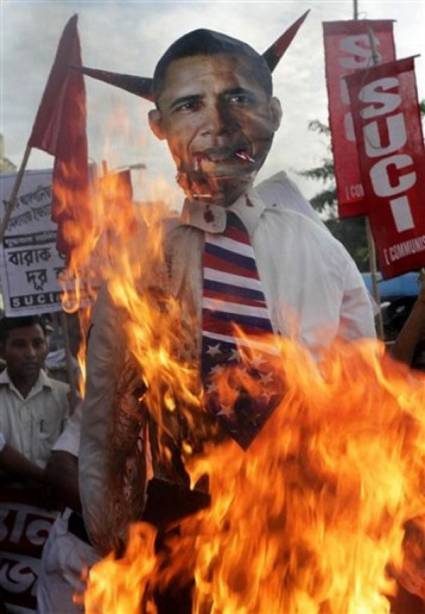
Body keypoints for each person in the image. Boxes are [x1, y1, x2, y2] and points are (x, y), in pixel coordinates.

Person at [78, 20, 376, 554]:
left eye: (238, 97)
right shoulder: (141, 260)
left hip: (306, 521)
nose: (219, 124)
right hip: (181, 527)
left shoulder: (321, 251)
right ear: (157, 124)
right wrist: (108, 538)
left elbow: (365, 391)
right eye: (189, 104)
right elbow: (107, 417)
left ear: (274, 114)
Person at [37, 404, 100, 614]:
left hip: (141, 566)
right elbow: (58, 470)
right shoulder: (107, 403)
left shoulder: (192, 418)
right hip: (77, 556)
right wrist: (110, 524)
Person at [0, 316, 70, 483]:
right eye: (19, 345)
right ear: (2, 351)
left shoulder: (65, 396)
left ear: (46, 346)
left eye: (37, 344)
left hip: (55, 506)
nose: (31, 353)